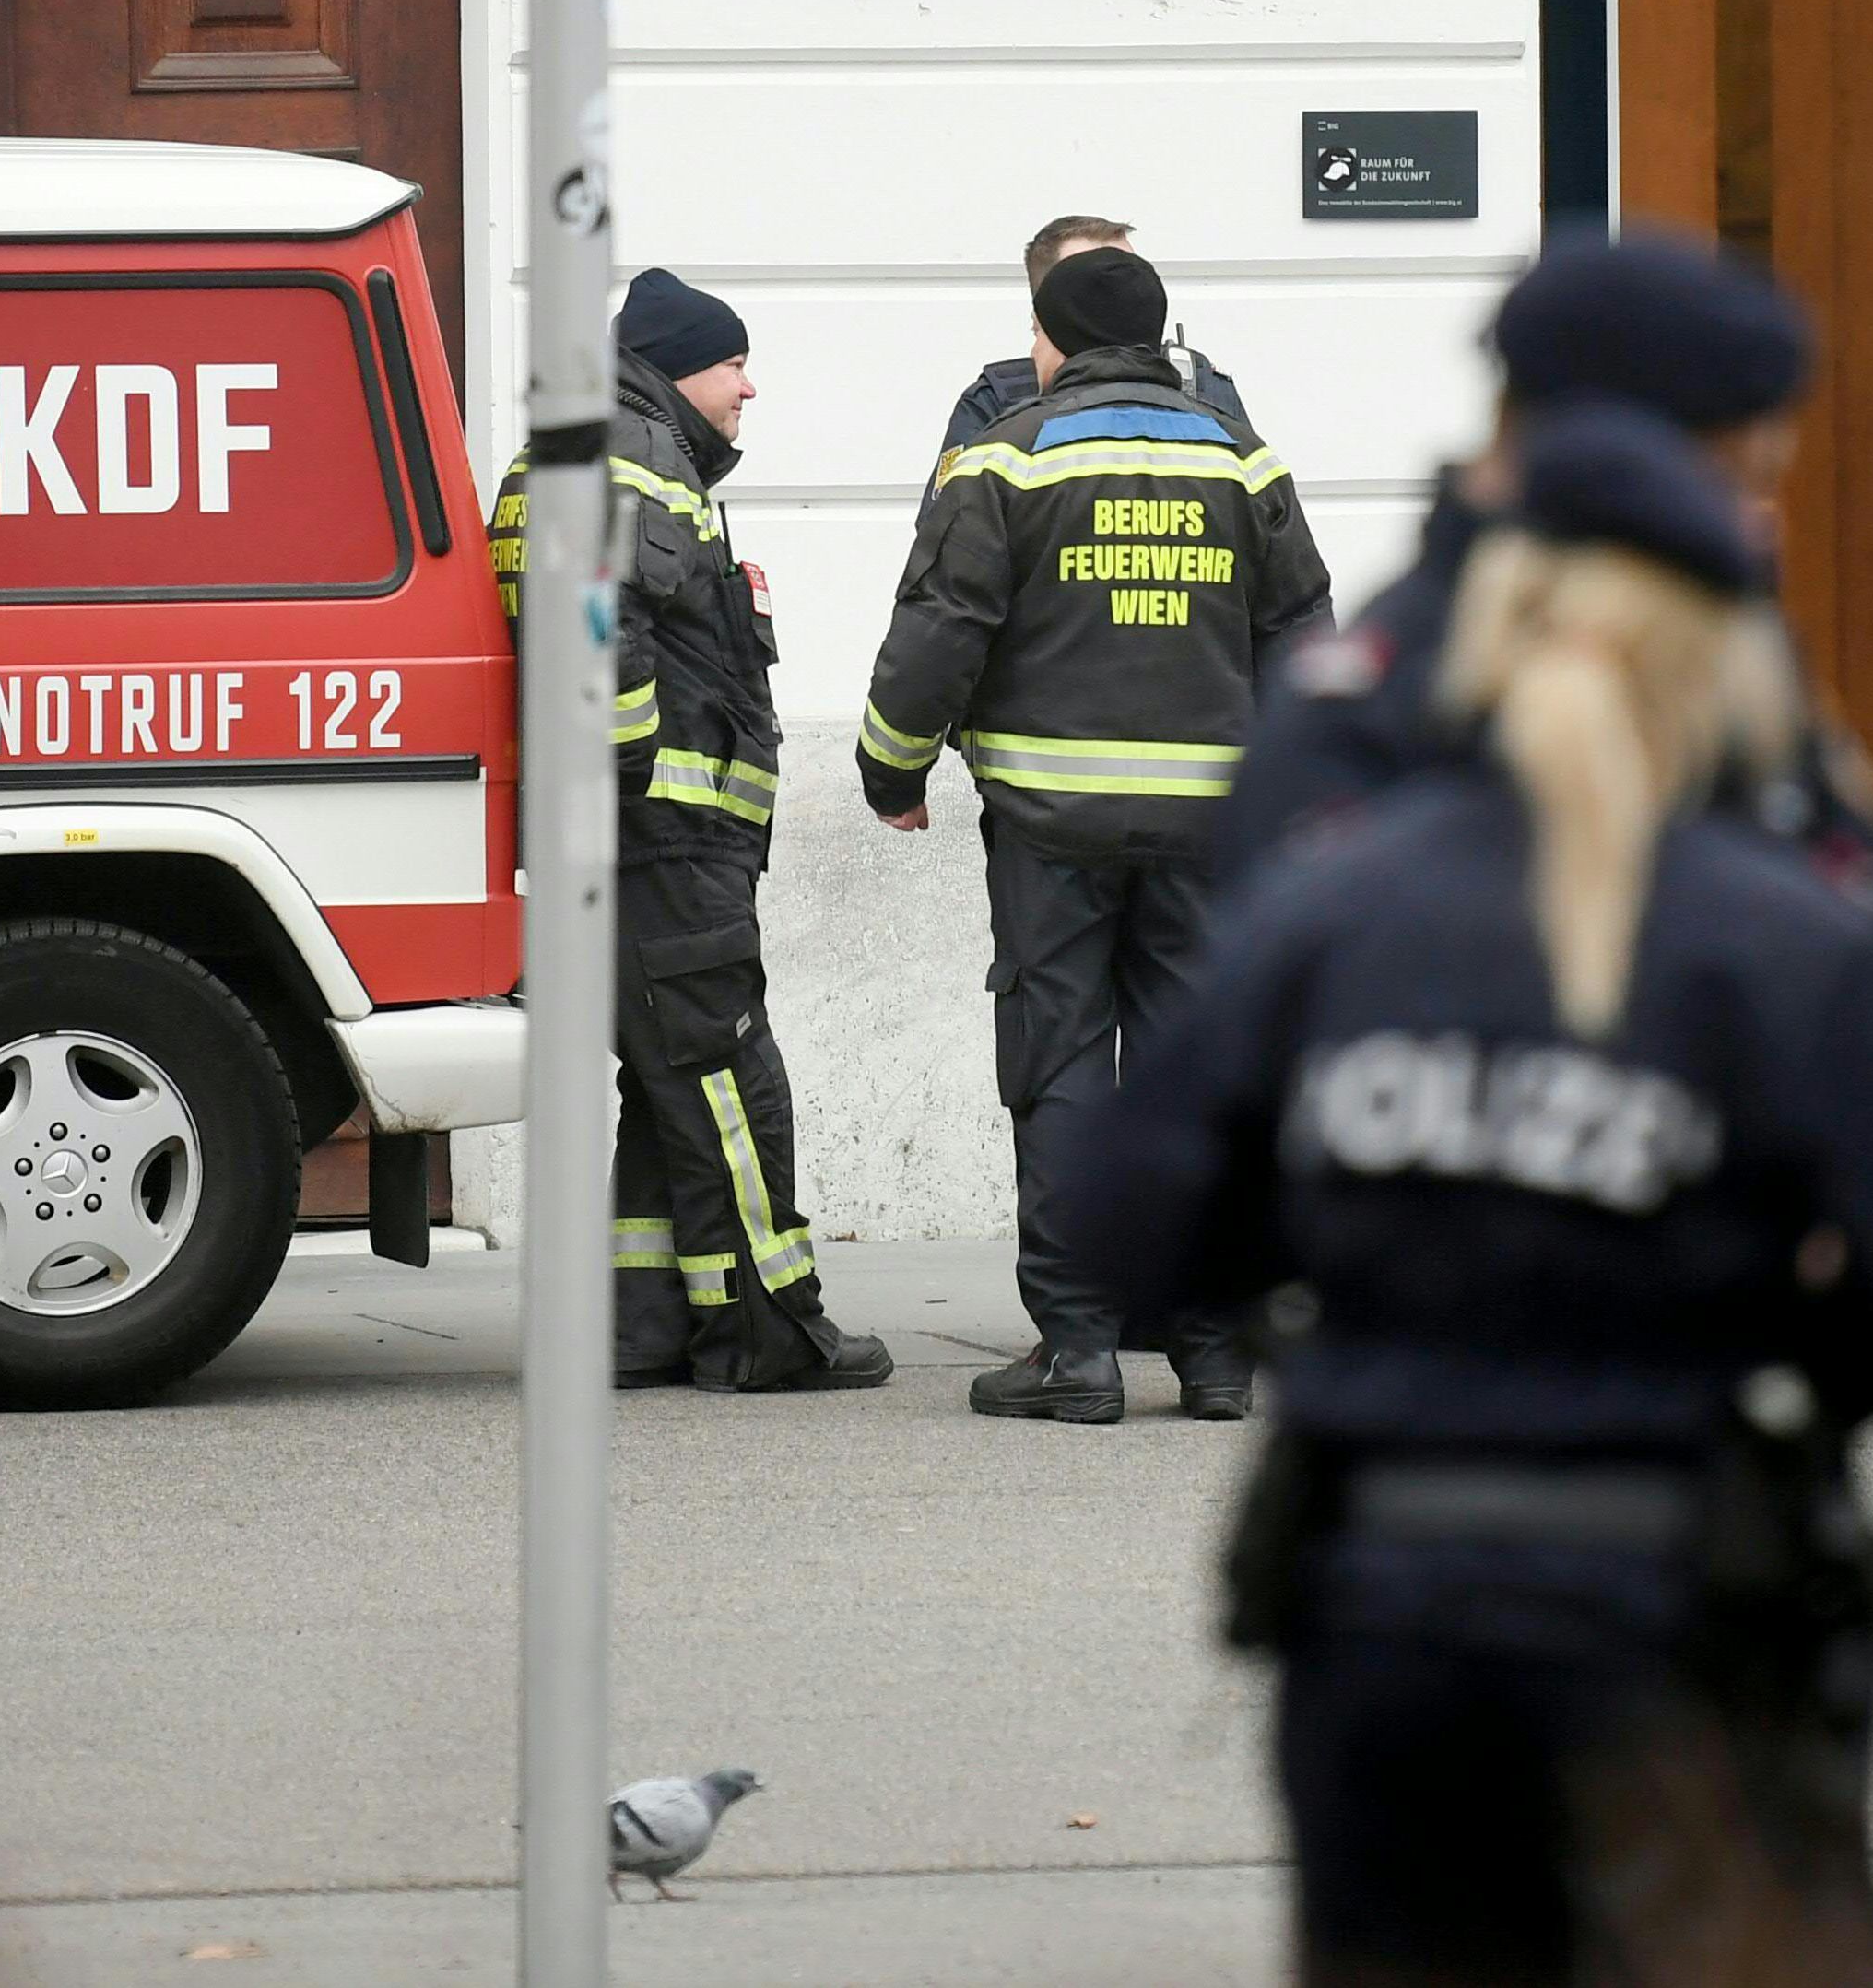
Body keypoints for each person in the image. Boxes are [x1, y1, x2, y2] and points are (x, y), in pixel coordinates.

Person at [1072, 402, 1873, 1986]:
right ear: (1721, 651)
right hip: (1679, 1632)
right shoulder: (1777, 932)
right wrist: (1832, 1318)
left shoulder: (1338, 899)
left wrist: (1351, 1232)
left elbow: (1122, 1218)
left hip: (1378, 1630)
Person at [857, 241, 1333, 1424]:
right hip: (1211, 828)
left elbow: (941, 624)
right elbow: (1299, 629)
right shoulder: (1239, 454)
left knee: (1061, 1067)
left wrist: (888, 766)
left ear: (1049, 338)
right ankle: (1215, 1353)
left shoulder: (1003, 458)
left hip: (1048, 825)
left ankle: (1076, 1351)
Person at [490, 267, 889, 1395]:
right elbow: (598, 639)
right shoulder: (629, 457)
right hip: (659, 839)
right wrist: (630, 791)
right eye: (732, 364)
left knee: (670, 1084)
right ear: (673, 364)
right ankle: (772, 1326)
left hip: (641, 838)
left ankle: (651, 1321)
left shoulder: (601, 452)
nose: (748, 388)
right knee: (726, 1079)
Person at [1212, 225, 1855, 898]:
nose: (1762, 528)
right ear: (1616, 466)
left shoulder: (1746, 679)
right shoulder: (1373, 724)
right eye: (1736, 486)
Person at [937, 213, 1246, 465]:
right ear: (1045, 308)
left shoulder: (1202, 387)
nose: (1120, 286)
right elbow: (951, 526)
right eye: (1090, 282)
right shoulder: (1000, 400)